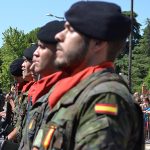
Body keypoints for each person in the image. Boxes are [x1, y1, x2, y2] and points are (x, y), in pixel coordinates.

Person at [32, 1, 144, 150]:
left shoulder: (105, 96)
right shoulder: (78, 91)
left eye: (70, 30)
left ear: (97, 43)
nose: (58, 36)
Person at [19, 20, 66, 150]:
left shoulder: (65, 95)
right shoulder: (46, 95)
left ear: (60, 52)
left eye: (42, 47)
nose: (35, 53)